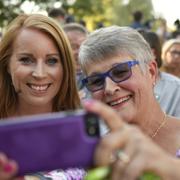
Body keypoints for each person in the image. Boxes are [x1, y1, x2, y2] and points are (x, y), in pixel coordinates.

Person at [0, 13, 83, 179]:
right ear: (7, 65)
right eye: (26, 60)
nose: (39, 73)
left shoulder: (85, 127)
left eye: (52, 61)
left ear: (65, 67)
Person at [79, 26, 180, 157]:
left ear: (151, 72)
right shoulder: (92, 155)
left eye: (120, 72)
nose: (109, 88)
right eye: (96, 81)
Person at [84, 100, 180, 180]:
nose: (109, 89)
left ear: (152, 76)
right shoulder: (95, 152)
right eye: (96, 81)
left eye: (120, 75)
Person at [138, 30, 180, 118]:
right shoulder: (118, 86)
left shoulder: (176, 87)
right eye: (174, 52)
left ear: (153, 53)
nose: (176, 56)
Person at [63, 23, 89, 99]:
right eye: (73, 47)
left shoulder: (95, 76)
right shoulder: (55, 79)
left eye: (84, 46)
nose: (80, 52)